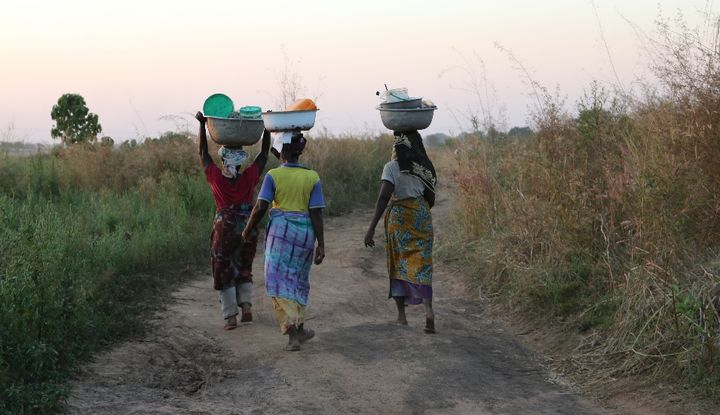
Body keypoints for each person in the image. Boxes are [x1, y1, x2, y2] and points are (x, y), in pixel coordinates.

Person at [242, 130, 325, 351]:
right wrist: (321, 245)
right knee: (298, 280)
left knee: (279, 282)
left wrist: (247, 229)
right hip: (305, 234)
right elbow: (317, 214)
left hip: (281, 235)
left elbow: (261, 206)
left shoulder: (273, 176)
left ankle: (293, 336)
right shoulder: (312, 177)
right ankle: (300, 328)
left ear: (283, 152)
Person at [196, 111, 270, 330]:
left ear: (223, 159)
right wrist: (266, 128)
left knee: (223, 268)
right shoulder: (249, 176)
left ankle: (230, 317)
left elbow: (202, 153)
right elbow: (264, 155)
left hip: (224, 227)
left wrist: (202, 125)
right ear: (240, 162)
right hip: (249, 224)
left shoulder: (216, 178)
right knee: (244, 264)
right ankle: (246, 306)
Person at [364, 130, 438, 333]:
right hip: (421, 216)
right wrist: (419, 211)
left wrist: (371, 228)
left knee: (397, 263)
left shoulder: (391, 168)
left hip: (399, 219)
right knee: (422, 263)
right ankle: (429, 311)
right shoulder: (423, 169)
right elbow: (431, 198)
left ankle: (401, 316)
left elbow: (383, 198)